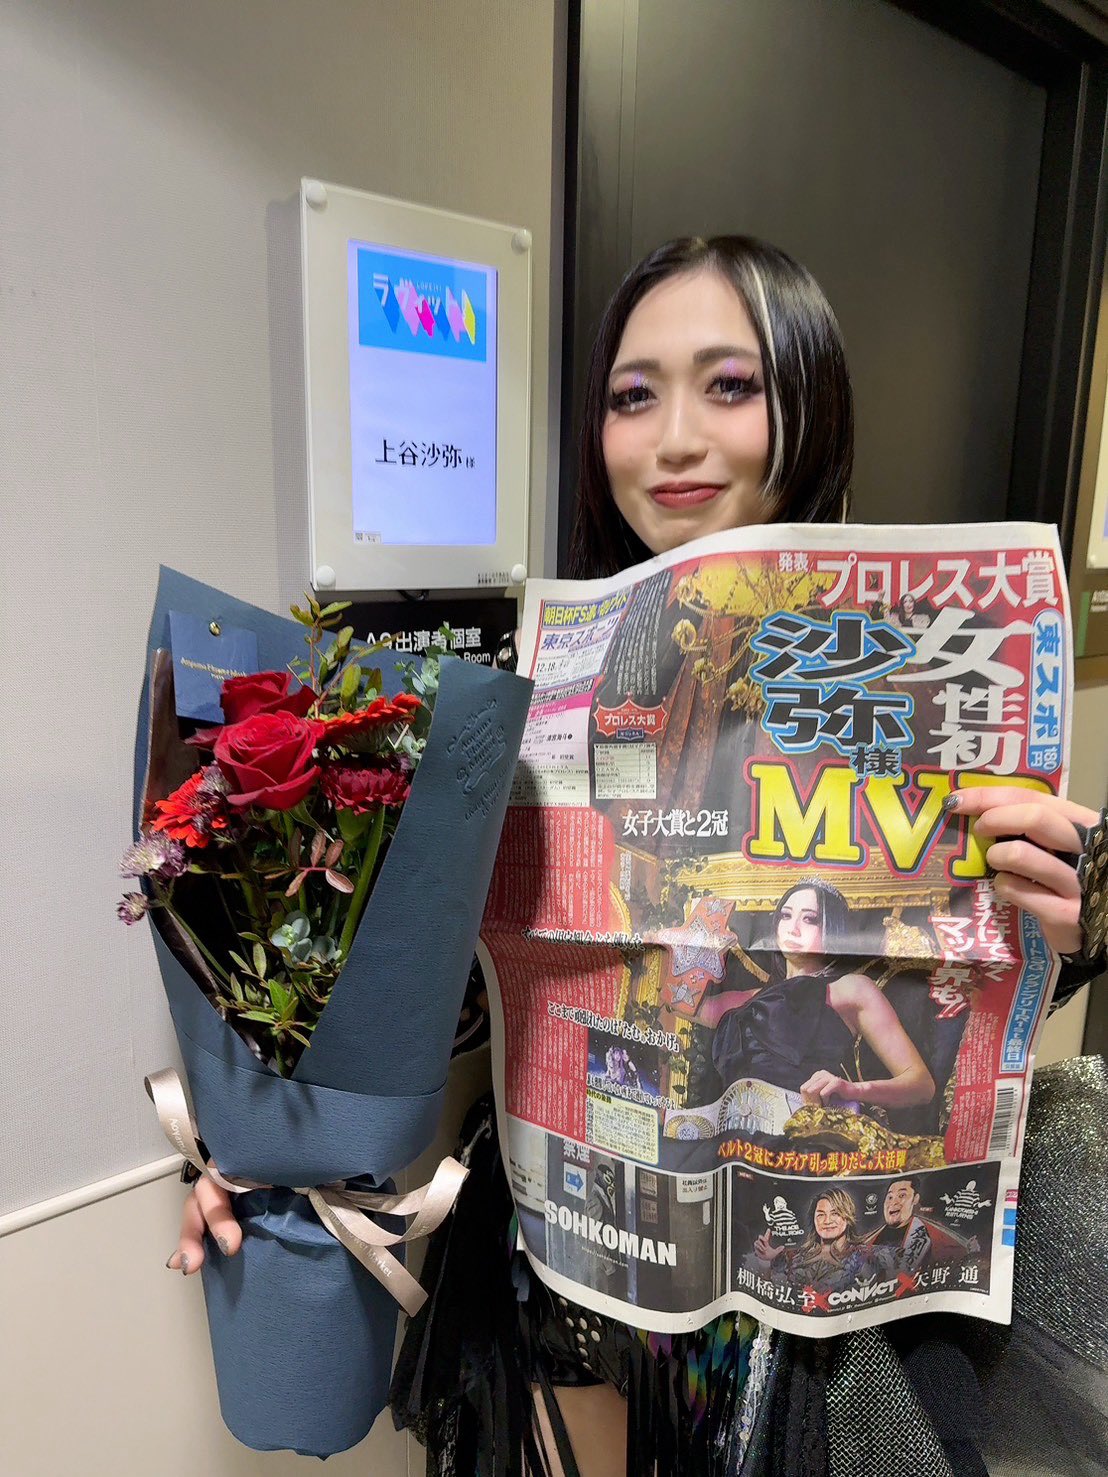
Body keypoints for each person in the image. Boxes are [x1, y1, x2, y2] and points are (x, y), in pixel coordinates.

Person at [168, 236, 1106, 1475]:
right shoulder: (521, 690)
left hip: (811, 1328)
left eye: (730, 385)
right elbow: (436, 1001)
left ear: (811, 403)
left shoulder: (916, 672)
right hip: (558, 1271)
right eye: (631, 394)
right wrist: (275, 1155)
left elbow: (967, 1009)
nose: (672, 440)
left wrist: (1081, 904)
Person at [696, 880, 935, 1112]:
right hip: (732, 1129)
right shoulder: (744, 1000)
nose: (793, 928)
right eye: (785, 915)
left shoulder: (851, 989)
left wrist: (851, 1090)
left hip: (806, 1128)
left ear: (833, 929)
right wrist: (701, 929)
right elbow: (681, 1004)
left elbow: (921, 1085)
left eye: (809, 919)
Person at [751, 1188, 876, 1293]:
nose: (827, 1221)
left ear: (847, 1217)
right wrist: (765, 1261)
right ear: (814, 1220)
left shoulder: (864, 1255)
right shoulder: (792, 1256)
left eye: (835, 1213)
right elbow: (770, 1291)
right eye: (821, 1215)